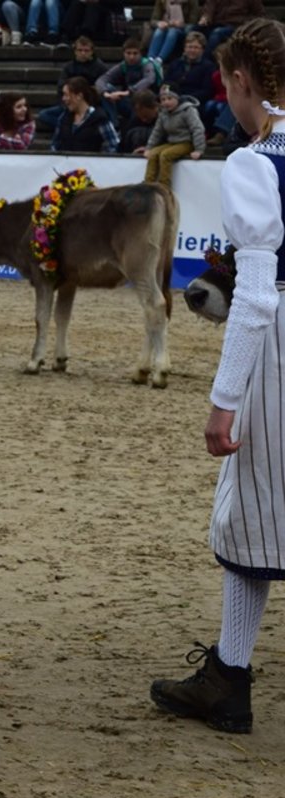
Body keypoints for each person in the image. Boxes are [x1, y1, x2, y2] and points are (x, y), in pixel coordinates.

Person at [150, 17, 285, 736]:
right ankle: (226, 675)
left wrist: (222, 400)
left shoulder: (254, 162)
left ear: (240, 82)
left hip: (280, 345)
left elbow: (259, 293)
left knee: (253, 515)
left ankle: (230, 679)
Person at [143, 83, 205, 186]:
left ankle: (164, 187)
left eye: (170, 98)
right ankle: (148, 185)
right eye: (163, 100)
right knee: (153, 154)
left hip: (187, 142)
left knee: (165, 155)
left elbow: (197, 128)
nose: (166, 102)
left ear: (177, 98)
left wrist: (199, 149)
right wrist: (149, 147)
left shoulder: (188, 110)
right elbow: (157, 132)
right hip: (172, 142)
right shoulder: (163, 113)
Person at [95, 37, 159, 125]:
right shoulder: (123, 66)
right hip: (128, 101)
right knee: (107, 89)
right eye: (128, 53)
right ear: (123, 54)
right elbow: (102, 79)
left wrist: (128, 92)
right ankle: (114, 124)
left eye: (135, 53)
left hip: (145, 102)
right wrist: (105, 93)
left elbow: (149, 80)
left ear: (141, 54)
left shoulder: (147, 64)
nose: (131, 57)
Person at [51, 75, 120, 151]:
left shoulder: (99, 118)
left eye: (66, 95)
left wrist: (99, 161)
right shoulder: (63, 118)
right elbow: (55, 144)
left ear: (79, 96)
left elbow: (113, 144)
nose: (63, 99)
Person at [192, 0, 264, 61]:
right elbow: (209, 7)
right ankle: (184, 64)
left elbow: (259, 14)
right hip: (215, 23)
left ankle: (204, 63)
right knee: (191, 29)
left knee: (216, 34)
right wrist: (206, 17)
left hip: (236, 26)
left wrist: (245, 22)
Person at [164, 31, 217, 105]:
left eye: (196, 47)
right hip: (171, 100)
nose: (192, 50)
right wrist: (167, 95)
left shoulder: (208, 67)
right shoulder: (175, 63)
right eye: (190, 47)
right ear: (185, 48)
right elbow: (165, 83)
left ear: (202, 50)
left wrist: (185, 99)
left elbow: (207, 91)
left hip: (194, 103)